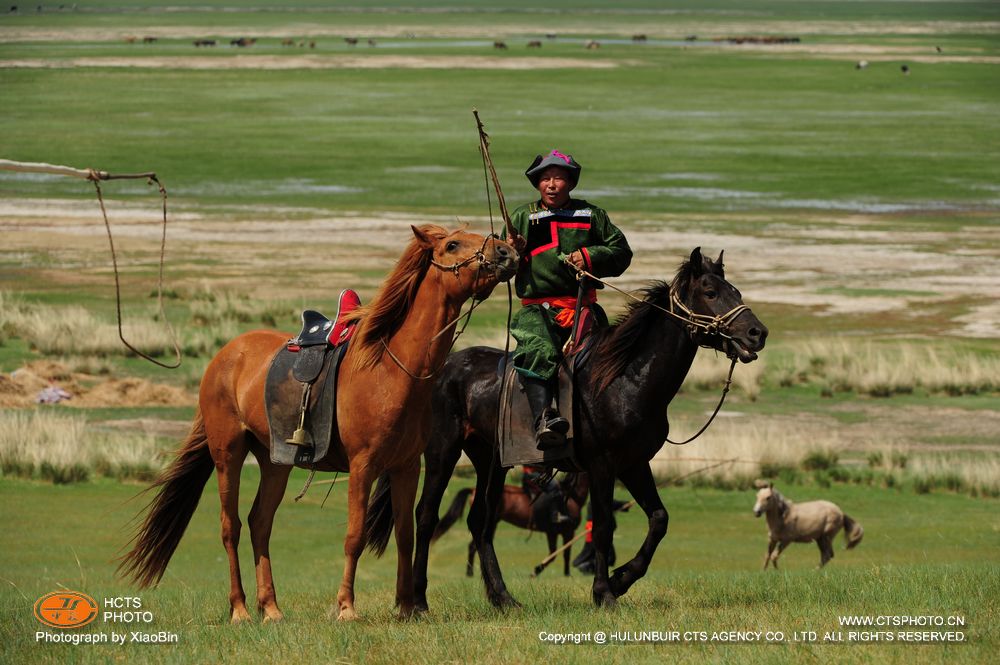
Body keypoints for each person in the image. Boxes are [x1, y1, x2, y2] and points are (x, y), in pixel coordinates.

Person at [505, 149, 632, 449]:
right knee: (541, 348)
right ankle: (544, 421)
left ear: (570, 183)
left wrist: (588, 256)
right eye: (545, 179)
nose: (551, 185)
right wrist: (512, 251)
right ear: (537, 184)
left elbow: (622, 253)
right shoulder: (522, 217)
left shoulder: (592, 216)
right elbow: (500, 268)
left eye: (558, 178)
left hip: (583, 309)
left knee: (611, 357)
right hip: (538, 311)